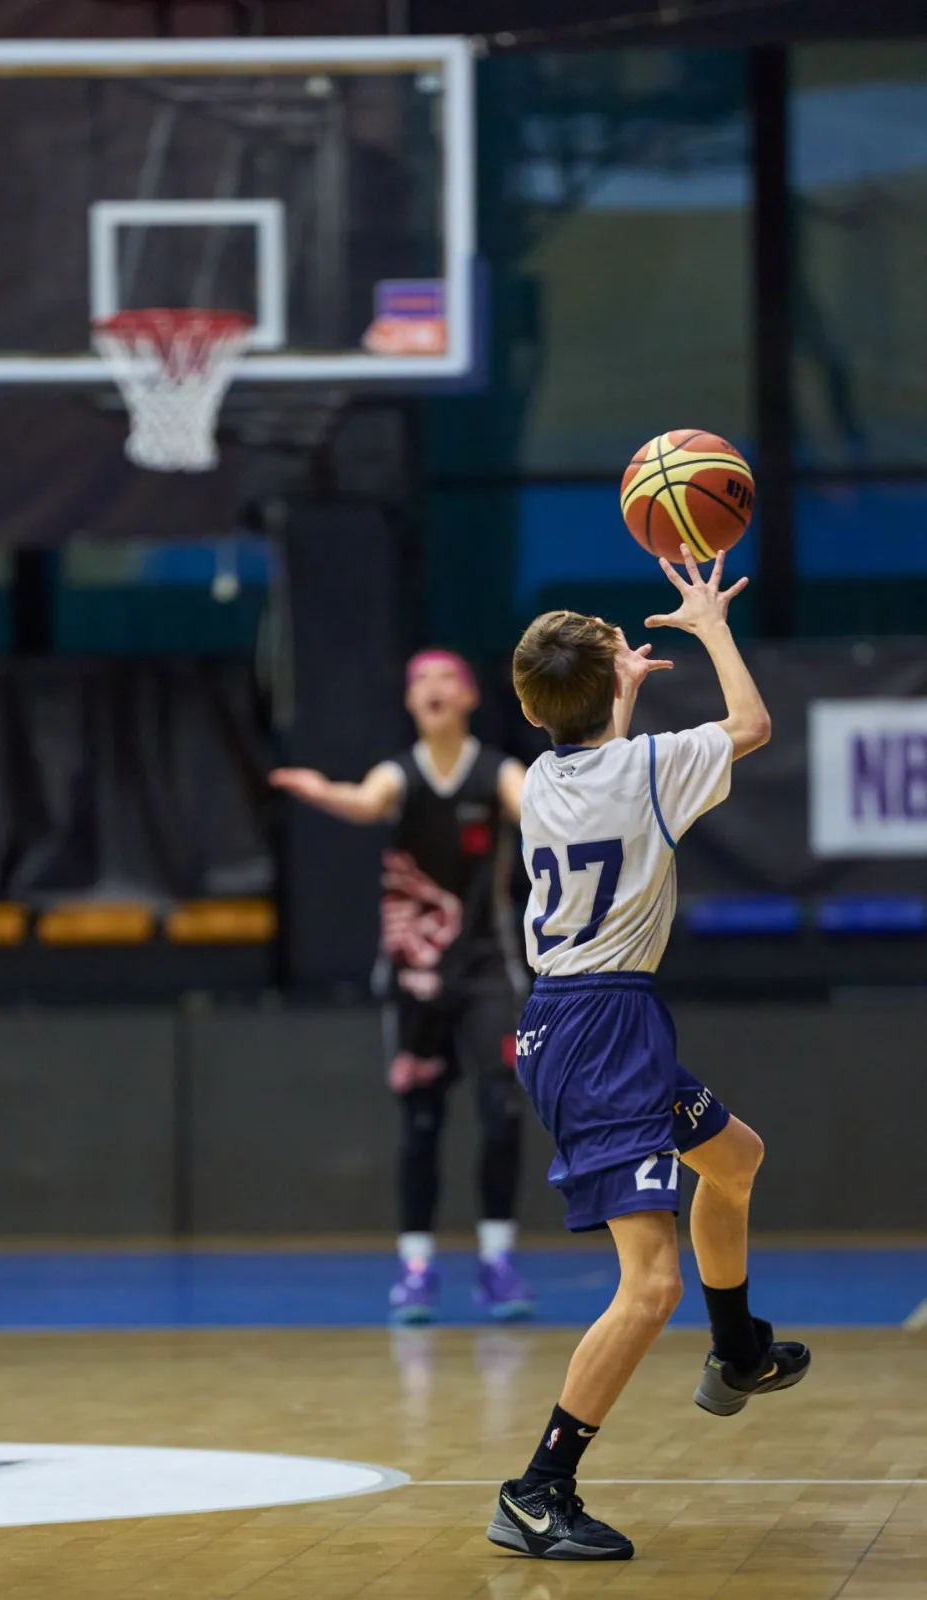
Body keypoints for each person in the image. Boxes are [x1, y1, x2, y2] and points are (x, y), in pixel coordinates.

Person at [487, 547, 810, 1563]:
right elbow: (750, 725)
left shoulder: (542, 779)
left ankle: (738, 1351)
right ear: (603, 692)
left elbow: (605, 762)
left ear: (531, 708)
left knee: (734, 1157)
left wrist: (614, 689)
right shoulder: (641, 769)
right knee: (649, 1286)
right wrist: (708, 624)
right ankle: (536, 1489)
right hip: (603, 1035)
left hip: (577, 1022)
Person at [271, 649, 535, 1323]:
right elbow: (366, 801)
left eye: (446, 677)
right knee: (421, 1122)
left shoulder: (497, 771)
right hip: (415, 974)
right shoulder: (399, 772)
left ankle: (497, 1262)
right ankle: (415, 1269)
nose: (432, 687)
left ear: (470, 696)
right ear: (411, 702)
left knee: (502, 1111)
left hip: (487, 970)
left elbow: (536, 804)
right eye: (420, 680)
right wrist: (322, 791)